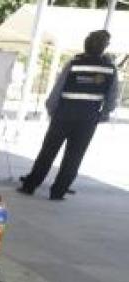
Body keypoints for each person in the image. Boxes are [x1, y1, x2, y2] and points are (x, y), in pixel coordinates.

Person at [18, 30, 119, 200]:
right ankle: (58, 192)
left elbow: (58, 89)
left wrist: (52, 109)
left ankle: (30, 186)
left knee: (48, 151)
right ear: (104, 47)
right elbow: (112, 95)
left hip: (64, 114)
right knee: (74, 156)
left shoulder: (74, 63)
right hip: (88, 117)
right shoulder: (110, 69)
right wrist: (103, 114)